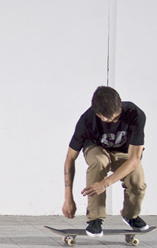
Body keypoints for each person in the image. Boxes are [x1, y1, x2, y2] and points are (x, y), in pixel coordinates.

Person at [62, 86, 148, 237]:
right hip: (97, 149)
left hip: (125, 153)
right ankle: (95, 219)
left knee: (137, 180)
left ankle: (130, 215)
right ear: (97, 113)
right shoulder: (86, 120)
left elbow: (134, 159)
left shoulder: (136, 114)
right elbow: (70, 159)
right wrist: (68, 197)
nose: (110, 121)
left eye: (115, 117)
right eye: (105, 118)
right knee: (99, 161)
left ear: (120, 106)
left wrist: (105, 183)